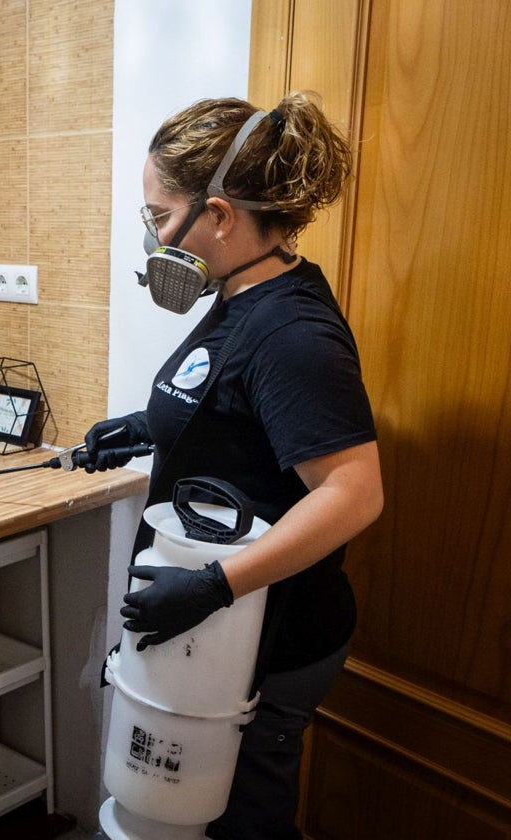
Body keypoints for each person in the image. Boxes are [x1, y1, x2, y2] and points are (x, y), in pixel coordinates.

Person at [85, 92, 383, 839]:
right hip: (224, 633)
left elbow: (353, 495)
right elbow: (233, 408)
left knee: (244, 820)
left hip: (268, 634)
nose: (154, 235)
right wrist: (145, 428)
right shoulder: (239, 293)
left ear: (218, 216)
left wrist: (215, 586)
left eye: (159, 216)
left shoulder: (293, 333)